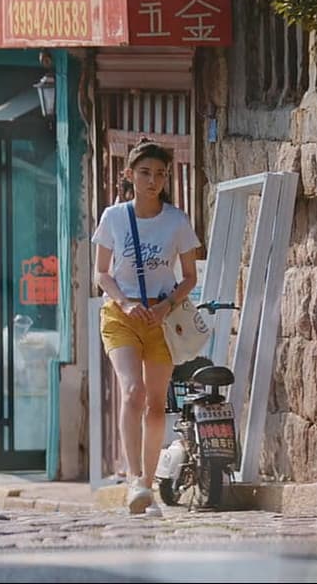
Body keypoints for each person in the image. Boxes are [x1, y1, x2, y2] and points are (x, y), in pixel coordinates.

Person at [93, 139, 201, 514]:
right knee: (132, 391)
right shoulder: (114, 218)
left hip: (162, 319)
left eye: (159, 174)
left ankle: (147, 485)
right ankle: (133, 478)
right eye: (144, 173)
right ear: (129, 175)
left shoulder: (176, 221)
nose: (152, 181)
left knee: (156, 404)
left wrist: (167, 305)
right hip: (121, 316)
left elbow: (189, 276)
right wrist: (125, 302)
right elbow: (101, 273)